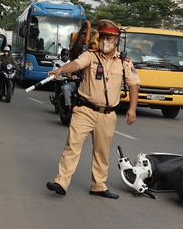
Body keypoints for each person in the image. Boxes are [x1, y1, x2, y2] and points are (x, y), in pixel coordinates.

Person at [45, 20, 140, 199]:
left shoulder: (124, 62)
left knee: (102, 152)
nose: (105, 40)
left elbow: (133, 84)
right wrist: (61, 70)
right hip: (84, 110)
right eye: (102, 37)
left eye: (109, 37)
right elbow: (76, 64)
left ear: (117, 40)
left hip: (108, 114)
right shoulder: (91, 55)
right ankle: (61, 182)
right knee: (72, 146)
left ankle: (98, 185)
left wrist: (132, 109)